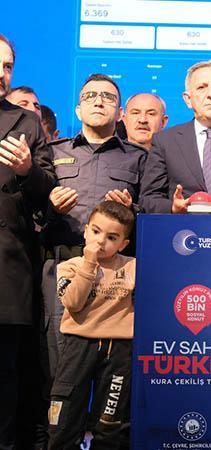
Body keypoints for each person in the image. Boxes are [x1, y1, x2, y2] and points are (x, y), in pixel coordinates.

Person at [42, 73, 146, 384]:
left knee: (113, 370)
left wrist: (131, 211)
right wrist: (51, 208)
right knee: (60, 366)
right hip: (66, 266)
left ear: (120, 112)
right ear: (77, 110)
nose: (98, 101)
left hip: (118, 275)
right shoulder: (54, 152)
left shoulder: (139, 157)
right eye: (90, 96)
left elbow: (151, 213)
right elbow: (34, 215)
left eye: (107, 97)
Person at [0, 32, 56, 450]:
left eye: (7, 66)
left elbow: (48, 187)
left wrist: (27, 171)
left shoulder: (25, 122)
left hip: (7, 269)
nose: (1, 74)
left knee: (5, 380)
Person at [47, 201, 135, 449]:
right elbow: (73, 303)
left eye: (112, 237)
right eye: (96, 232)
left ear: (123, 244)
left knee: (110, 424)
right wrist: (89, 263)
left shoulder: (132, 266)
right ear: (85, 230)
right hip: (78, 345)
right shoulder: (69, 266)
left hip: (119, 349)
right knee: (63, 419)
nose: (101, 241)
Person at [140, 59, 211, 214]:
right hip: (182, 228)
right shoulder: (165, 141)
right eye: (202, 87)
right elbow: (148, 198)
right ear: (188, 99)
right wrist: (172, 208)